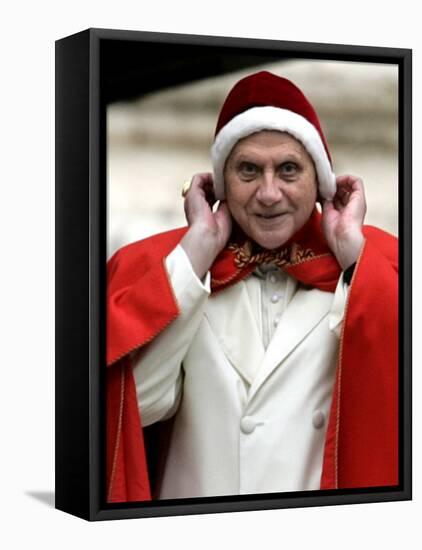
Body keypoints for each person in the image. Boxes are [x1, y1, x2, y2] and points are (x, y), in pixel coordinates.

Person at [106, 71, 398, 503]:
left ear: (320, 182)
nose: (268, 193)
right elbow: (135, 408)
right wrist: (197, 254)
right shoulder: (182, 274)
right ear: (221, 183)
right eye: (248, 170)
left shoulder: (378, 273)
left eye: (288, 170)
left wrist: (354, 254)